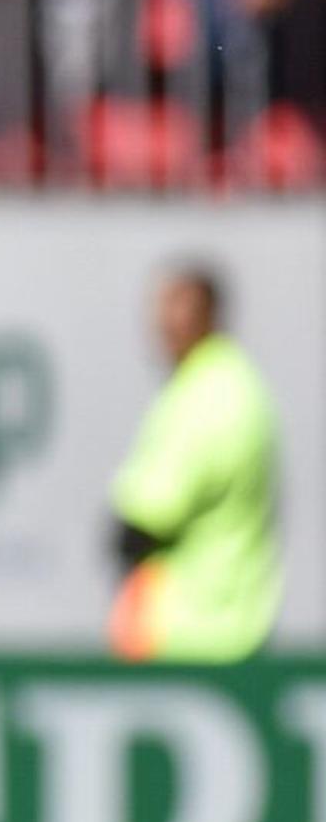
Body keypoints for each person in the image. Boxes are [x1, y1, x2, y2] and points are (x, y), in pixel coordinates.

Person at [109, 260, 281, 663]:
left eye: (177, 307)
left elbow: (144, 519)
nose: (163, 323)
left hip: (191, 633)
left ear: (209, 314)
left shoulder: (210, 394)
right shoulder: (238, 382)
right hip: (236, 627)